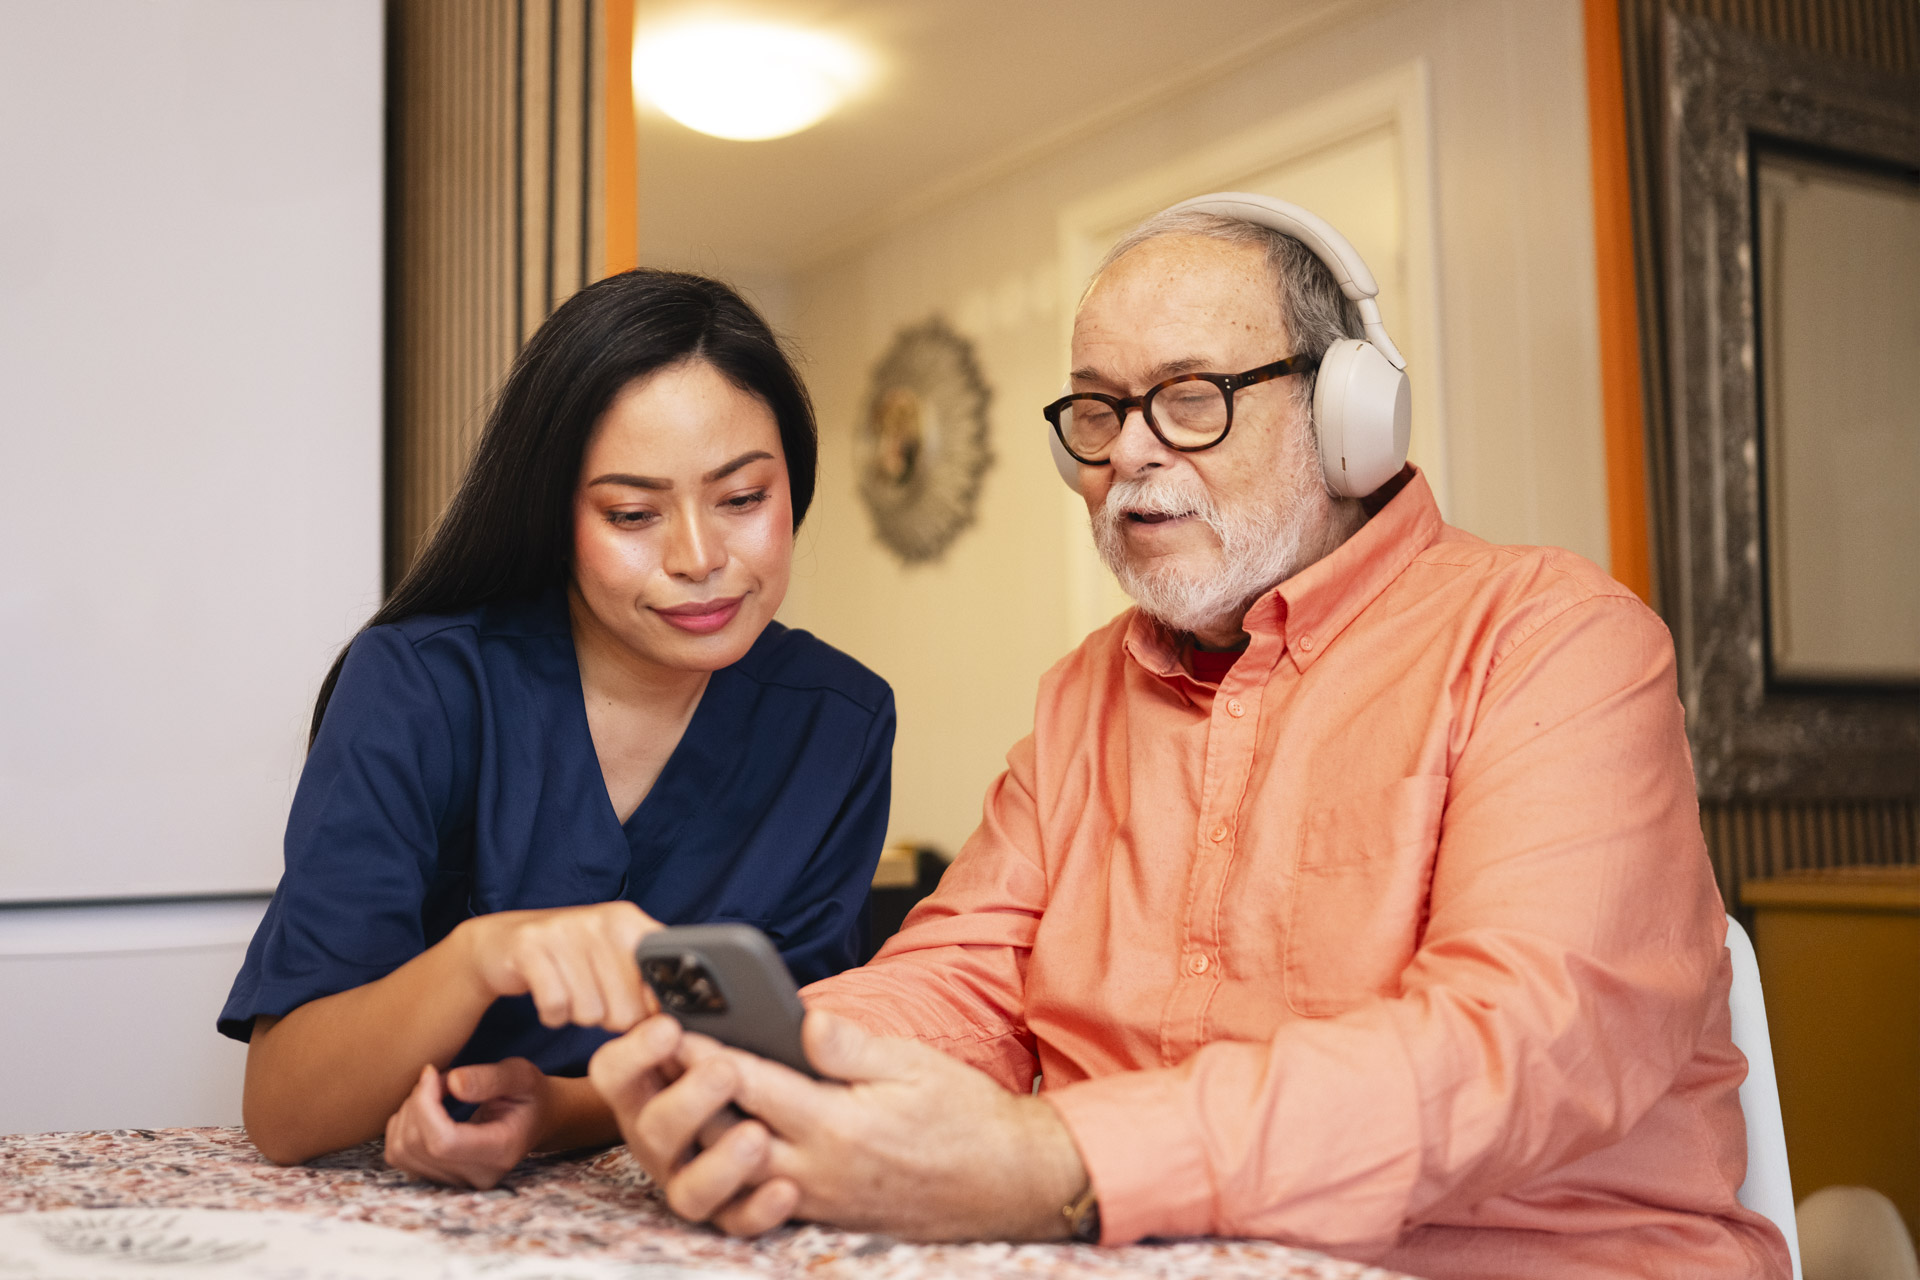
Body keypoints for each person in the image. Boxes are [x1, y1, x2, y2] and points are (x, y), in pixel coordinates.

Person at [587, 196, 1793, 1280]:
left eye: (1190, 398)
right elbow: (963, 976)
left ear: (1346, 414)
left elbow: (1514, 1048)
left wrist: (1049, 1156)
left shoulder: (1556, 638)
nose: (1128, 455)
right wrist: (769, 1068)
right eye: (1100, 410)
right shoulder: (1083, 693)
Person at [219, 270, 895, 1190]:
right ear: (554, 512)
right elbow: (286, 1108)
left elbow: (787, 1063)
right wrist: (482, 956)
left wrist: (553, 1110)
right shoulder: (421, 687)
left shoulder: (837, 722)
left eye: (742, 499)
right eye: (632, 514)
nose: (699, 558)